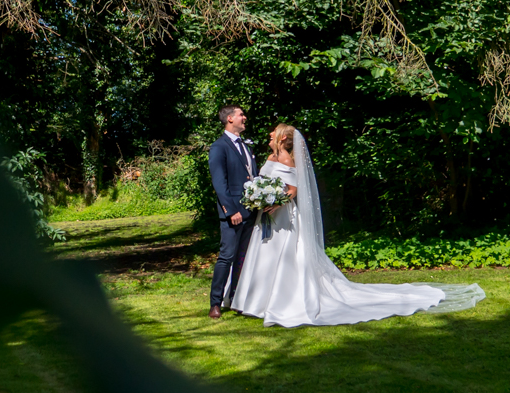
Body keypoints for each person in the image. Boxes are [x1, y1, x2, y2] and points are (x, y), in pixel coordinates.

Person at [231, 123, 485, 327]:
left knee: (287, 257)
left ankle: (283, 303)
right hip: (267, 218)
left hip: (284, 217)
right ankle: (257, 302)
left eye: (273, 132)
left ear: (283, 139)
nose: (269, 134)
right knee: (264, 255)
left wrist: (277, 201)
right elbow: (265, 182)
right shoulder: (269, 156)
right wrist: (259, 197)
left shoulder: (288, 160)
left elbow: (295, 189)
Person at [206, 105, 258, 320]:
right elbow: (220, 183)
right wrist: (230, 210)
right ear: (229, 119)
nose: (244, 117)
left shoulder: (246, 146)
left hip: (251, 211)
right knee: (227, 257)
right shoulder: (219, 146)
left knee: (243, 257)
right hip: (233, 212)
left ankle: (236, 298)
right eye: (240, 115)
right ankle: (215, 304)